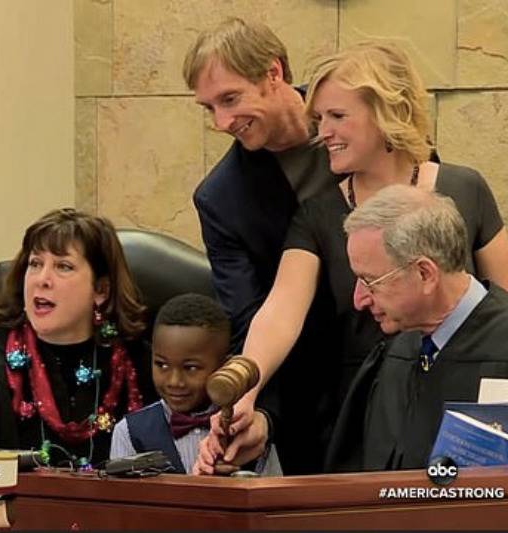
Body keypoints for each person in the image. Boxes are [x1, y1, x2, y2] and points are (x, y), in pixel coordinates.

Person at [195, 41, 508, 475]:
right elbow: (280, 311)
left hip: (462, 412)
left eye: (337, 117)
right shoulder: (317, 215)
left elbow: (503, 304)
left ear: (387, 112)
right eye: (320, 118)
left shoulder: (465, 188)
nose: (323, 132)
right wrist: (246, 388)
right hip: (358, 421)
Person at [183, 17, 339, 475]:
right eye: (208, 108)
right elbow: (250, 320)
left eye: (230, 99)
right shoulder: (221, 199)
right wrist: (260, 414)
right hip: (316, 392)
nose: (222, 122)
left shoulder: (361, 112)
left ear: (274, 73)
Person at [0, 208, 155, 467]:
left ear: (100, 290)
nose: (42, 280)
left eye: (63, 266)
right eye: (35, 264)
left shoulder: (139, 367)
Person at [326, 185, 508, 471]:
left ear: (425, 274)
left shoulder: (501, 350)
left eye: (370, 281)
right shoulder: (395, 355)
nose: (358, 300)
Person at [109, 293, 230, 474]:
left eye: (190, 368)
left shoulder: (245, 430)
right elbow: (120, 500)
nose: (174, 381)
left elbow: (271, 496)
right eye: (162, 365)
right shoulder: (129, 432)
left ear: (224, 366)